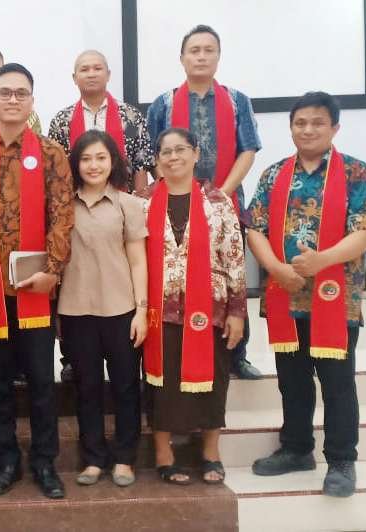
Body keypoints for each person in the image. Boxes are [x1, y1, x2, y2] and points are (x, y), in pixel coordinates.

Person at [247, 92, 366, 498]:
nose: (307, 130)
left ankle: (341, 459)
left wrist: (320, 261)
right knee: (292, 381)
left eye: (317, 122)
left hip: (336, 299)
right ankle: (296, 448)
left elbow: (364, 232)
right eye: (300, 123)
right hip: (284, 295)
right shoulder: (273, 174)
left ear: (334, 127)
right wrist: (276, 268)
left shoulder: (357, 172)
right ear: (291, 127)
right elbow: (255, 229)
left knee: (337, 382)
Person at [0, 63, 74, 499]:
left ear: (31, 101)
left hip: (35, 289)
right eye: (4, 92)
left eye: (20, 93)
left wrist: (53, 271)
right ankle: (5, 459)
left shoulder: (51, 153)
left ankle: (44, 462)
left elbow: (62, 214)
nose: (12, 100)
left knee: (42, 382)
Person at [146, 24, 262, 381]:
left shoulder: (237, 101)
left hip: (224, 202)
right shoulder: (164, 103)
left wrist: (220, 195)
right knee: (177, 277)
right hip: (175, 204)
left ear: (218, 56)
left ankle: (236, 354)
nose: (201, 56)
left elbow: (248, 150)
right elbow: (154, 155)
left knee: (230, 276)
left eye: (208, 50)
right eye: (194, 50)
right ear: (182, 58)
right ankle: (177, 346)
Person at [141, 127, 246, 485]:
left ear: (196, 154)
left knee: (214, 381)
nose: (173, 157)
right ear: (157, 160)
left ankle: (210, 452)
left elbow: (234, 258)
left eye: (180, 149)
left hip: (210, 310)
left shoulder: (218, 202)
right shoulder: (143, 202)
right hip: (159, 311)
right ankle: (163, 452)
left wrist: (237, 312)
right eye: (166, 152)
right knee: (162, 383)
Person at [57, 130, 147, 487]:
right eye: (85, 159)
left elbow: (138, 260)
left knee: (126, 387)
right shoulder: (63, 205)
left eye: (101, 157)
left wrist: (141, 311)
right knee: (87, 388)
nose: (93, 165)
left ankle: (125, 459)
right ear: (75, 164)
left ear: (113, 162)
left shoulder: (128, 205)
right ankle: (93, 458)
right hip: (76, 311)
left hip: (121, 309)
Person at [48, 50, 153, 192]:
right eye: (84, 69)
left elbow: (140, 164)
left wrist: (140, 200)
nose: (91, 74)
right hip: (77, 199)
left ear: (108, 75)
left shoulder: (131, 117)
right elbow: (56, 168)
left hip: (122, 199)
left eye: (97, 68)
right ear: (74, 78)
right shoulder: (62, 121)